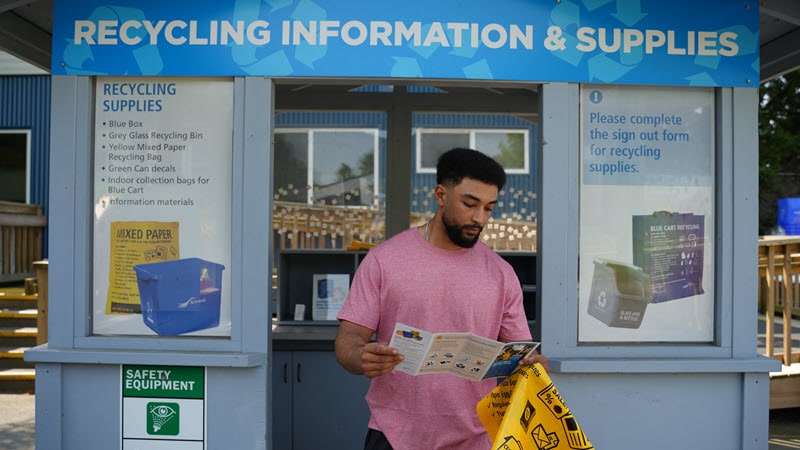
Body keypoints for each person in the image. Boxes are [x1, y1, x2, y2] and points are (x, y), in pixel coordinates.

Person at [335, 148, 548, 450]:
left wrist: (531, 367)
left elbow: (519, 357)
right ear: (440, 195)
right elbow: (348, 341)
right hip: (394, 435)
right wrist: (361, 357)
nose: (479, 218)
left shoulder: (501, 273)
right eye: (469, 204)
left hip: (477, 438)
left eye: (489, 208)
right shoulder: (384, 260)